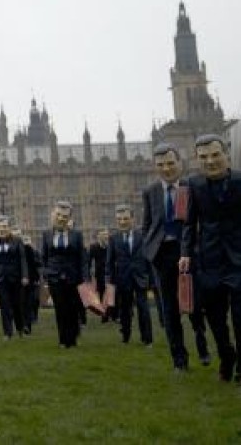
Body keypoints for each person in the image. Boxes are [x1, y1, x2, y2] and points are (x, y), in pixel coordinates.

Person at [180, 134, 241, 387]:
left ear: (226, 154)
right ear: (197, 159)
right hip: (209, 259)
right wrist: (185, 253)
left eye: (215, 155)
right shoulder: (194, 184)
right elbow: (190, 224)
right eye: (204, 157)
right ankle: (227, 354)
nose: (210, 161)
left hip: (240, 259)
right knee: (214, 316)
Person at [141, 142, 209, 372]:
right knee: (169, 309)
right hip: (162, 254)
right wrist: (149, 251)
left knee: (195, 303)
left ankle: (201, 341)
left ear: (180, 163)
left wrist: (195, 248)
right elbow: (147, 224)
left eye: (171, 163)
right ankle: (179, 360)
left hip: (189, 251)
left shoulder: (192, 186)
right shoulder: (151, 191)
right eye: (161, 164)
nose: (166, 168)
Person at [41, 200, 87, 348]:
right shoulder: (47, 234)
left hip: (73, 277)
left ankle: (72, 339)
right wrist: (46, 274)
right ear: (54, 215)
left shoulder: (77, 235)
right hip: (54, 277)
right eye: (59, 215)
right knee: (60, 309)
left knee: (73, 309)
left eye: (65, 216)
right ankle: (63, 340)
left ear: (69, 218)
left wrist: (85, 278)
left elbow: (82, 258)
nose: (61, 218)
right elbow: (45, 257)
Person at [107, 205, 153, 346]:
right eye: (119, 219)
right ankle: (125, 337)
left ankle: (147, 339)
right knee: (125, 310)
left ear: (132, 219)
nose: (122, 222)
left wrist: (151, 279)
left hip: (140, 277)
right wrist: (109, 281)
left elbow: (149, 259)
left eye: (125, 218)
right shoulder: (113, 239)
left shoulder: (143, 236)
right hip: (123, 279)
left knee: (143, 309)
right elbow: (109, 262)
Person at [0, 216, 29, 340]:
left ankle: (20, 328)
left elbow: (22, 259)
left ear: (9, 228)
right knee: (4, 306)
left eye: (4, 227)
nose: (2, 229)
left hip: (15, 278)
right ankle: (7, 333)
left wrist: (25, 275)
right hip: (0, 278)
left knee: (17, 305)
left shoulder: (17, 241)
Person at [88, 228, 112, 322]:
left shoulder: (111, 246)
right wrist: (88, 273)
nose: (105, 236)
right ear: (98, 236)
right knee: (102, 293)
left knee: (111, 293)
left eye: (106, 234)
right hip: (100, 274)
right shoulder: (94, 247)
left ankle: (111, 314)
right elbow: (89, 261)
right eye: (103, 234)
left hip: (111, 273)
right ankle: (104, 315)